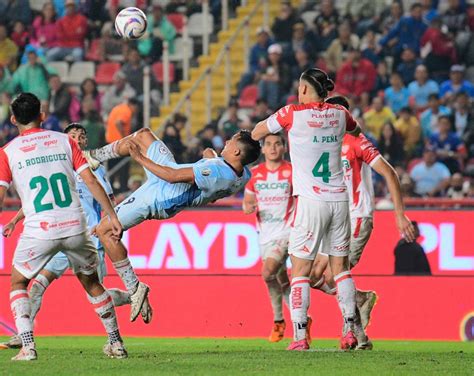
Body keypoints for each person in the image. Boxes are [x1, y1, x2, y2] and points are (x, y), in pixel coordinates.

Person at [84, 128, 261, 324]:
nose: (227, 140)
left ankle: (134, 288)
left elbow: (171, 176)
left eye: (232, 140)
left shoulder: (218, 173)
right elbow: (213, 164)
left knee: (105, 231)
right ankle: (92, 157)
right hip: (167, 181)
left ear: (237, 152)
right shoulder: (243, 173)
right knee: (143, 135)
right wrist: (210, 156)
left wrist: (138, 158)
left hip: (160, 197)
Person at [251, 68, 371, 351]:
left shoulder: (292, 113)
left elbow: (258, 132)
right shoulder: (340, 115)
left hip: (310, 202)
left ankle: (300, 337)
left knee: (300, 272)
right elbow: (357, 130)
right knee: (340, 270)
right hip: (340, 202)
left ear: (304, 90)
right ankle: (350, 332)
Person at [0, 93, 125, 360]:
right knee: (92, 284)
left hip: (39, 230)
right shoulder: (65, 142)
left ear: (12, 120)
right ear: (42, 115)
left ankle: (28, 346)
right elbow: (91, 181)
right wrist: (113, 216)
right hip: (75, 227)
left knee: (19, 282)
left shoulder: (7, 152)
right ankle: (116, 343)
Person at [309, 95, 415, 350]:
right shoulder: (322, 144)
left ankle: (354, 333)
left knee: (337, 271)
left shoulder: (357, 142)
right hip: (331, 217)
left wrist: (399, 214)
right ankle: (360, 302)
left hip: (356, 215)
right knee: (312, 275)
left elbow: (389, 172)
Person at [243, 133, 293, 343]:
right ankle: (301, 320)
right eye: (269, 145)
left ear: (284, 148)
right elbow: (247, 204)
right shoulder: (255, 175)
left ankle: (279, 321)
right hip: (265, 235)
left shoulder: (292, 172)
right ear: (262, 149)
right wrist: (249, 207)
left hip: (288, 231)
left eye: (277, 144)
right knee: (281, 280)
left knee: (267, 273)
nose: (273, 148)